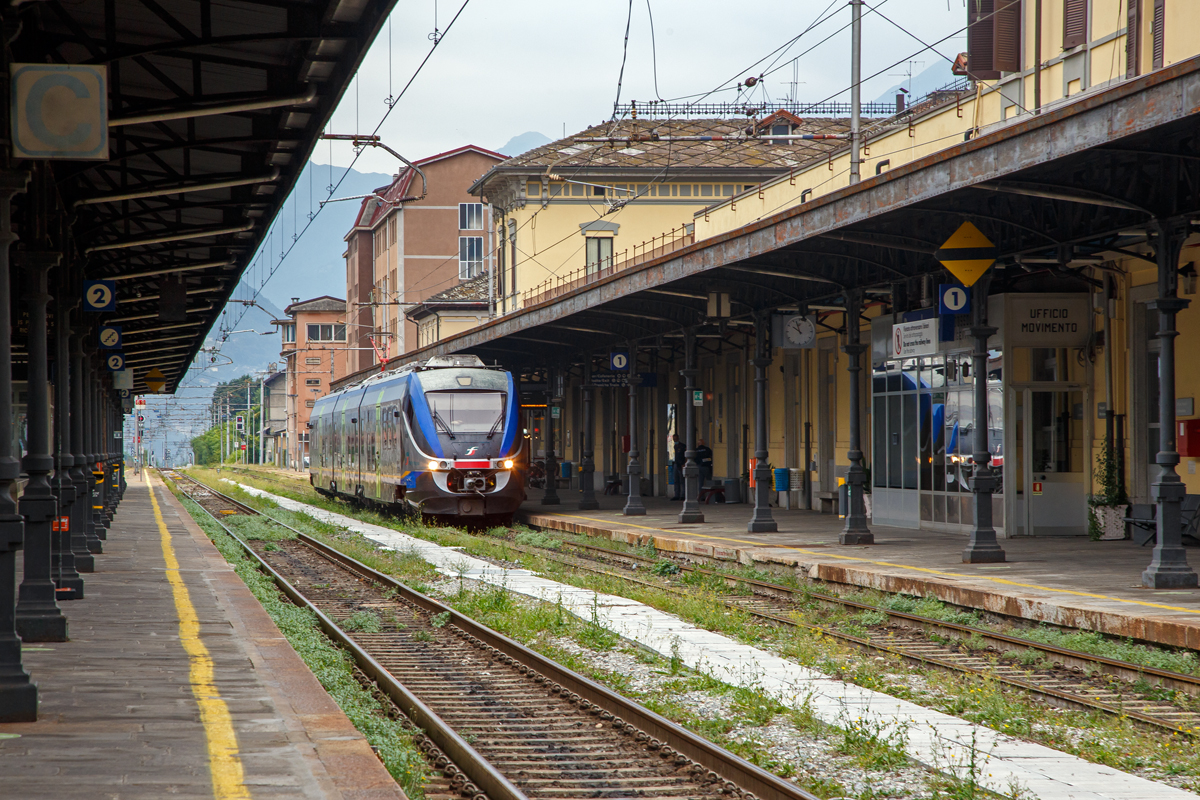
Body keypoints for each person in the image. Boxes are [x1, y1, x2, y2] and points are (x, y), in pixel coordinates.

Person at [671, 434, 685, 500]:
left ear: (678, 438)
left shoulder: (682, 446)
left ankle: (683, 495)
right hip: (675, 464)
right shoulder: (674, 446)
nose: (675, 440)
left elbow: (685, 456)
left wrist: (684, 464)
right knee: (676, 480)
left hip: (681, 464)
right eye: (674, 439)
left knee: (682, 480)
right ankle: (677, 495)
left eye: (676, 439)